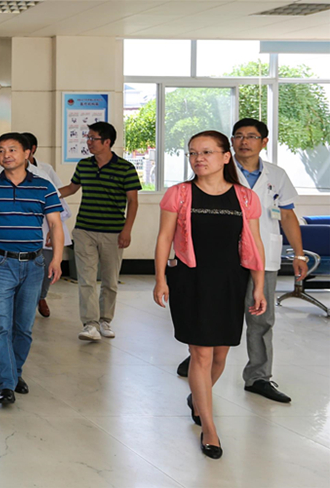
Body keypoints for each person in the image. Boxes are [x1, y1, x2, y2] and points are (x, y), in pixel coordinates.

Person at [175, 119, 308, 404]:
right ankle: (198, 360)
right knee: (207, 312)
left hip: (262, 257)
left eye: (252, 136)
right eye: (238, 136)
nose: (244, 141)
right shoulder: (215, 166)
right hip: (218, 261)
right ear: (230, 143)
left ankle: (259, 376)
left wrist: (298, 253)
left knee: (261, 319)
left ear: (264, 142)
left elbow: (287, 214)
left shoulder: (276, 174)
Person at [154, 130, 266, 459]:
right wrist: (160, 279)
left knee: (220, 355)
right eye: (192, 153)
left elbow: (254, 244)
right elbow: (164, 239)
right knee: (200, 354)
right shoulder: (179, 194)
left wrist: (259, 285)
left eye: (206, 152)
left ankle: (198, 397)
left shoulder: (245, 198)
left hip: (231, 281)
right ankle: (209, 427)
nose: (198, 159)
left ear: (225, 157)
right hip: (190, 280)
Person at [0, 133, 64, 405]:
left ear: (28, 153)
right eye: (1, 150)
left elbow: (55, 225)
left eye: (12, 150)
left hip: (34, 264)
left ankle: (15, 372)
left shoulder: (44, 187)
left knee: (23, 327)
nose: (6, 155)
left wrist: (57, 259)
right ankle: (5, 383)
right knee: (0, 325)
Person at [58, 122, 141, 341]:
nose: (88, 142)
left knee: (110, 281)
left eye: (92, 138)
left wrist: (127, 230)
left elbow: (133, 201)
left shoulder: (125, 168)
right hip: (84, 230)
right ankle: (90, 324)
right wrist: (48, 195)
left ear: (107, 142)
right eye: (88, 138)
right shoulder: (84, 165)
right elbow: (72, 188)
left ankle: (105, 320)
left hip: (113, 232)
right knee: (86, 279)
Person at [20, 132, 72, 318]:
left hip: (45, 225)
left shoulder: (45, 170)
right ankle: (25, 302)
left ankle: (41, 297)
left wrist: (53, 227)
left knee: (45, 266)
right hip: (22, 229)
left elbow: (57, 196)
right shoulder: (2, 173)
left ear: (31, 150)